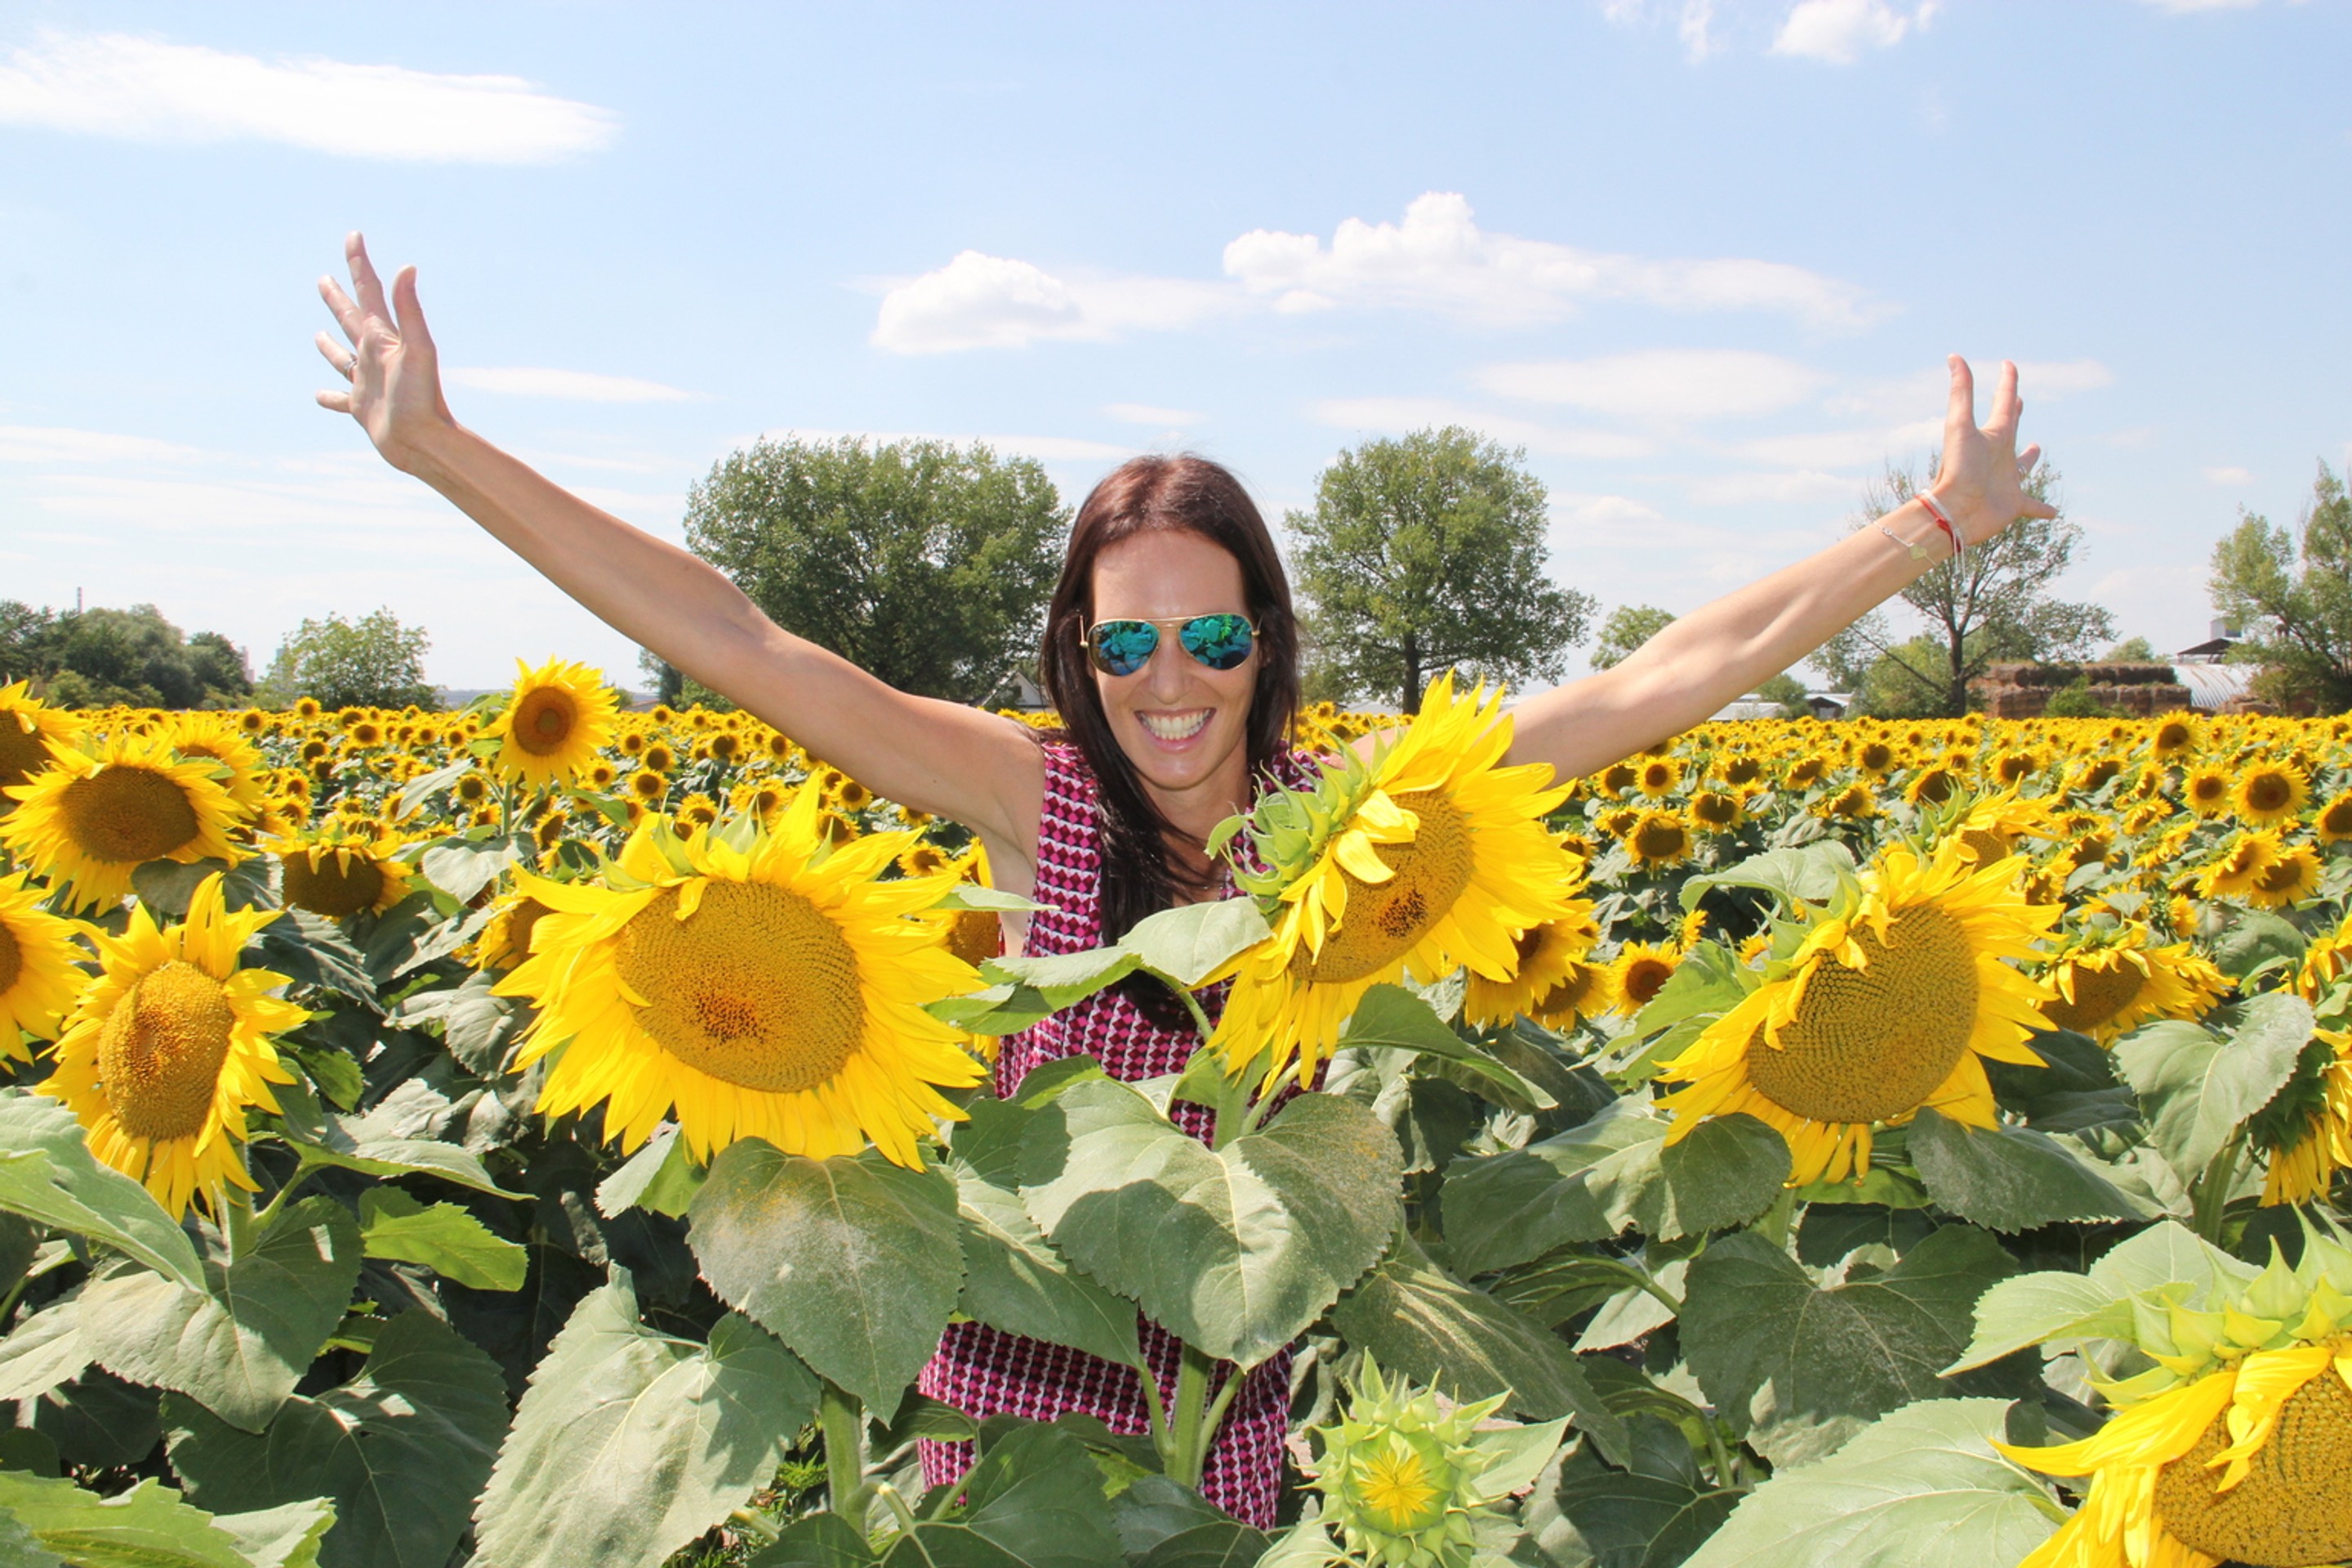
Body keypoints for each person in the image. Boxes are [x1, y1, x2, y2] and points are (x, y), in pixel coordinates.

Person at [314, 233, 2054, 1524]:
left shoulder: (1356, 811)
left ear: (1263, 640)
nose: (1171, 677)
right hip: (1012, 1425)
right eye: (1129, 635)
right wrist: (440, 451)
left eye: (1212, 633)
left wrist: (1935, 527)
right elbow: (734, 631)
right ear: (1080, 644)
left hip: (1232, 1414)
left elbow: (1662, 675)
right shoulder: (1025, 793)